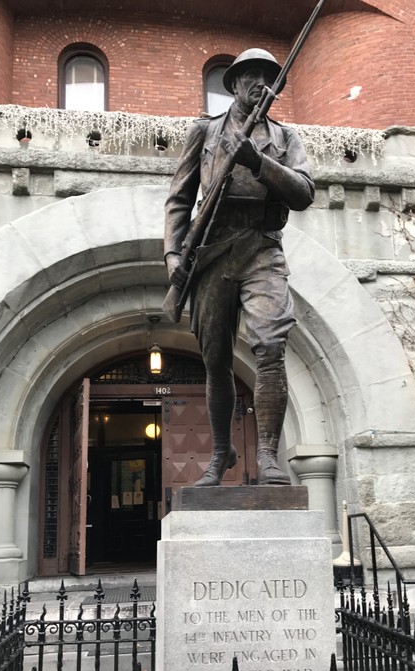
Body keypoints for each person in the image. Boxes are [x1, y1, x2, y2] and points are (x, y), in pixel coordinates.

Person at [164, 48, 315, 487]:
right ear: (234, 84)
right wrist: (174, 254)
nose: (259, 84)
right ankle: (219, 453)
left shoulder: (286, 138)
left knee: (270, 344)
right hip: (211, 250)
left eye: (267, 77)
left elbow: (304, 193)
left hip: (261, 249)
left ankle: (267, 454)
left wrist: (258, 161)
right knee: (215, 360)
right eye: (250, 76)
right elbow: (179, 198)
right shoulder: (206, 131)